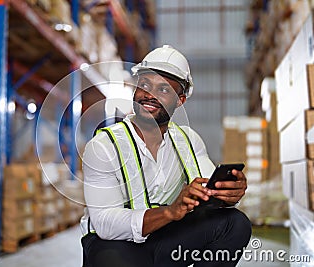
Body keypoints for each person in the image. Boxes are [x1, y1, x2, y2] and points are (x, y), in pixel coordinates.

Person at [80, 45, 251, 267]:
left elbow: (211, 190)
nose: (149, 95)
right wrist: (169, 212)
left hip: (164, 239)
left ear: (180, 100)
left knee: (234, 224)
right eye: (144, 85)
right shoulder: (104, 146)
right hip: (114, 245)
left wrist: (230, 194)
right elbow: (105, 225)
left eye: (163, 89)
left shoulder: (188, 140)